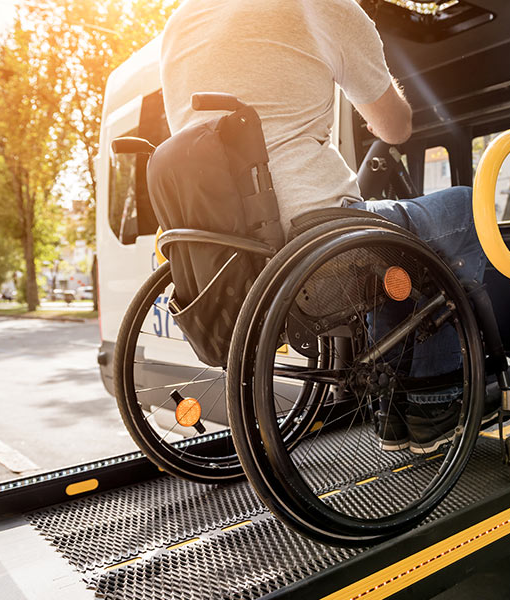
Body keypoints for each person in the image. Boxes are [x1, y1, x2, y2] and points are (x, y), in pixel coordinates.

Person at [159, 0, 489, 453]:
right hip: (315, 233)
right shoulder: (322, 5)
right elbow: (395, 127)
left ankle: (394, 412)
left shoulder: (180, 22)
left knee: (390, 243)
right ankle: (434, 401)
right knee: (463, 209)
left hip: (235, 247)